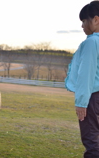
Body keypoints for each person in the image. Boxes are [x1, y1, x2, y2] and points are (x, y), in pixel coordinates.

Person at [65, 1, 99, 157]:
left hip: (92, 98)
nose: (82, 26)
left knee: (92, 141)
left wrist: (81, 103)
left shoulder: (92, 42)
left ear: (96, 20)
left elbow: (86, 75)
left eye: (84, 21)